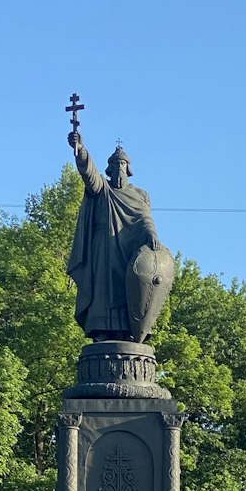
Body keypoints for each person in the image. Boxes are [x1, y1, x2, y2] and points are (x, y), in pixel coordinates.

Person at [66, 131, 160, 340]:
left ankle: (129, 330)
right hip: (104, 249)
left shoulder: (140, 195)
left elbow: (144, 218)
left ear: (128, 169)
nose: (119, 169)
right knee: (103, 290)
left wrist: (151, 233)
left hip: (129, 252)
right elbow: (89, 174)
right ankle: (101, 329)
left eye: (123, 165)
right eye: (116, 165)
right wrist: (80, 150)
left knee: (128, 290)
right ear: (109, 168)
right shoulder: (103, 188)